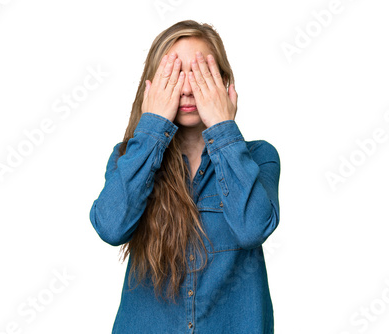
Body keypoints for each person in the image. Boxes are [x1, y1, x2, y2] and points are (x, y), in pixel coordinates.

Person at [89, 19, 281, 333]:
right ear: (152, 86)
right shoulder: (129, 157)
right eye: (176, 75)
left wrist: (222, 125)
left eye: (200, 73)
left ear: (224, 83)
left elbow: (251, 229)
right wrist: (152, 128)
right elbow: (111, 227)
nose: (189, 88)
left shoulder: (260, 157)